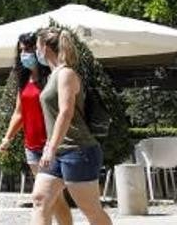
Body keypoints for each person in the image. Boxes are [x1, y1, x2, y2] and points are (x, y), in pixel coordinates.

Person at [29, 29, 112, 225]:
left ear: (45, 48)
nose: (35, 52)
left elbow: (65, 112)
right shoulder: (52, 76)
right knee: (40, 199)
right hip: (57, 151)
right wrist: (51, 147)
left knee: (90, 209)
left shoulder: (66, 73)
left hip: (78, 150)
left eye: (37, 47)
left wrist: (51, 148)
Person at [0, 33, 72, 225]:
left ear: (40, 49)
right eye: (21, 50)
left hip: (51, 145)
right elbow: (19, 113)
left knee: (45, 198)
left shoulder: (53, 77)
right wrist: (7, 138)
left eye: (29, 49)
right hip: (32, 146)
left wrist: (53, 145)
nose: (25, 54)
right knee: (51, 200)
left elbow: (64, 111)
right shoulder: (24, 79)